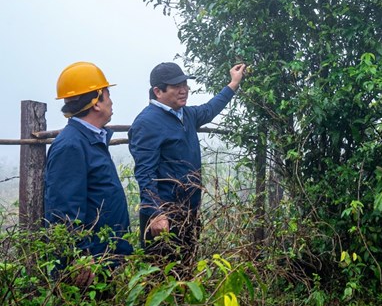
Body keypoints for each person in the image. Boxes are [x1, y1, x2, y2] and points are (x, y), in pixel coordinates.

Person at [128, 61, 245, 264]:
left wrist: (233, 84)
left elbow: (210, 109)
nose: (184, 91)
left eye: (185, 85)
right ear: (158, 91)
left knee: (186, 271)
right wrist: (156, 213)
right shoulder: (147, 123)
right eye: (176, 87)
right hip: (163, 217)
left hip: (188, 212)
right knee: (161, 278)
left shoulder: (186, 115)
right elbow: (144, 173)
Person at [44, 62, 132, 285]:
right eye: (107, 94)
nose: (111, 101)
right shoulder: (71, 146)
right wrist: (78, 256)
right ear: (96, 104)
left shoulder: (91, 139)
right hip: (89, 269)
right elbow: (63, 210)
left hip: (105, 258)